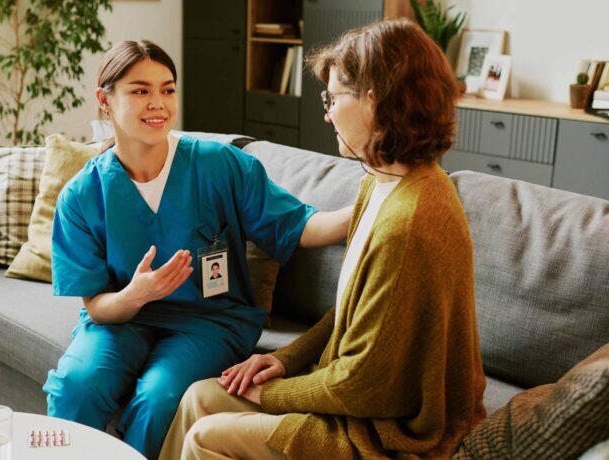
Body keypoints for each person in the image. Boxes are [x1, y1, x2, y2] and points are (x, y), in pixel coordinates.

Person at [161, 19, 487, 459]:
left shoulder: (409, 222)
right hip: (355, 398)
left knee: (206, 437)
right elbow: (353, 311)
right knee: (199, 396)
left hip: (387, 429)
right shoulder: (381, 181)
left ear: (374, 99)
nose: (327, 112)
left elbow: (365, 385)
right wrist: (286, 359)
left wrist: (273, 393)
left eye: (333, 98)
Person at [42, 40, 353, 459]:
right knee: (76, 385)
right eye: (140, 90)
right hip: (124, 318)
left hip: (210, 319)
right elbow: (97, 305)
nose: (158, 103)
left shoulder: (221, 165)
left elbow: (296, 224)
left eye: (167, 89)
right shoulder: (82, 194)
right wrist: (137, 294)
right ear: (105, 99)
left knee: (159, 397)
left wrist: (367, 207)